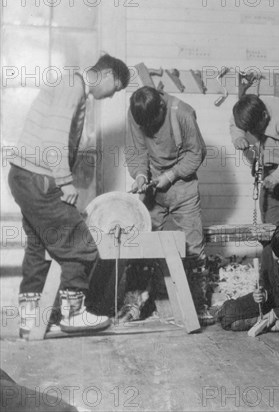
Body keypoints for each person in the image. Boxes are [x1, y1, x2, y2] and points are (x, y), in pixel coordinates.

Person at [8, 54, 130, 337]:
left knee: (39, 244)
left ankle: (30, 317)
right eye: (116, 88)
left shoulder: (68, 84)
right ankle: (73, 313)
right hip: (39, 178)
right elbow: (53, 140)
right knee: (81, 241)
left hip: (24, 176)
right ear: (109, 75)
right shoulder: (72, 86)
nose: (111, 95)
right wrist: (65, 182)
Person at [126, 86, 207, 265]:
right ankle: (142, 292)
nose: (149, 130)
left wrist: (170, 176)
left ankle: (196, 291)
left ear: (161, 106)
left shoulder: (183, 113)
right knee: (142, 246)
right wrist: (140, 176)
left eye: (152, 124)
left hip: (182, 186)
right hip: (152, 187)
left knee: (192, 249)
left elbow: (196, 154)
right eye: (144, 126)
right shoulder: (136, 114)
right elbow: (136, 150)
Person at [230, 94, 279, 227]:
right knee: (270, 225)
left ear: (265, 115)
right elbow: (235, 123)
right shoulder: (248, 111)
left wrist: (277, 177)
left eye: (256, 129)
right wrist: (238, 137)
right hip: (268, 172)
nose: (253, 133)